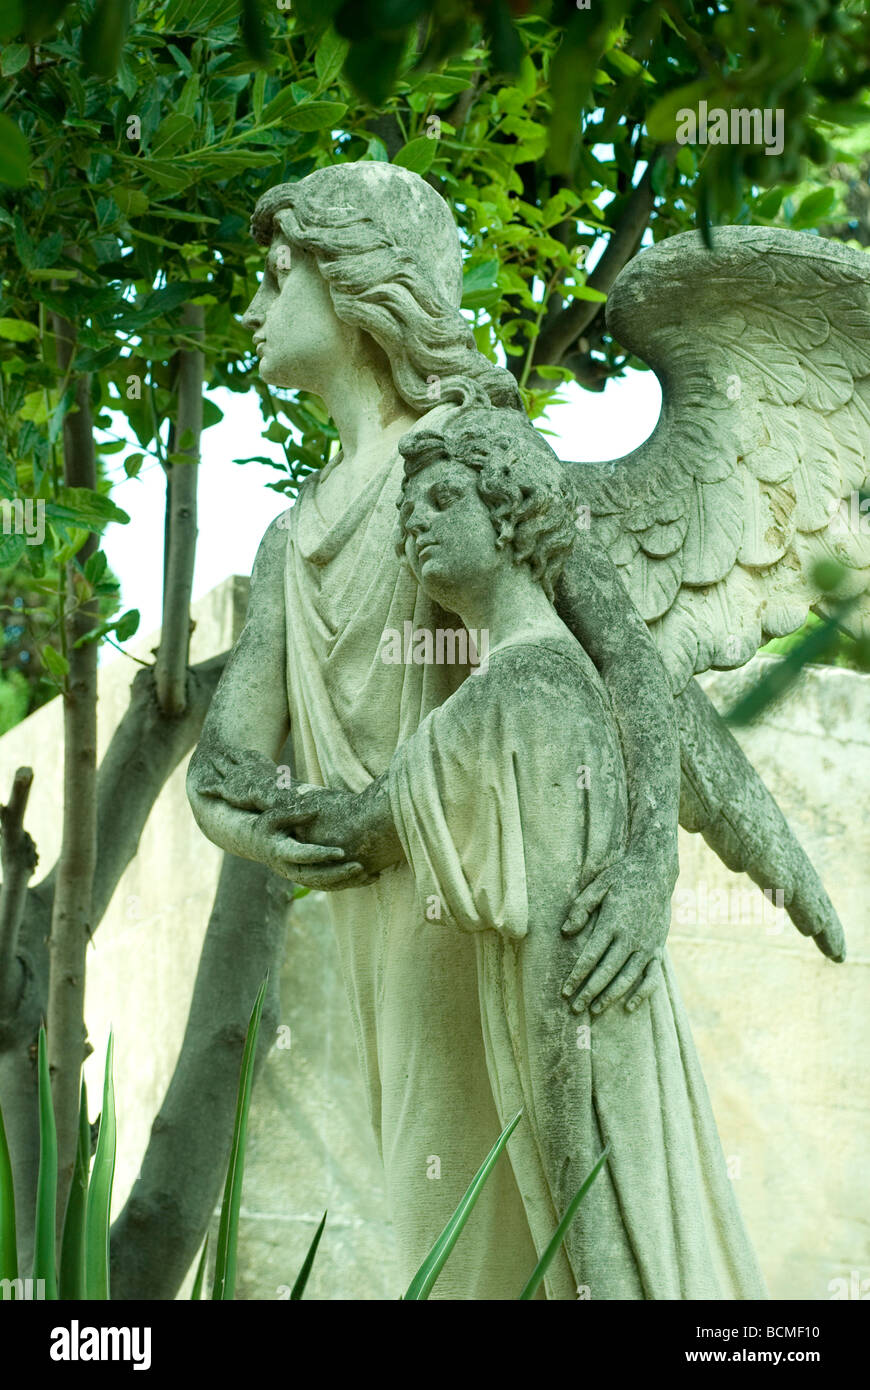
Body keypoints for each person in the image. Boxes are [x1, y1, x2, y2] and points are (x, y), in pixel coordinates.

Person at [198, 406, 767, 1299]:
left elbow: (373, 836)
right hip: (563, 1046)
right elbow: (368, 820)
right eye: (407, 509)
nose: (415, 520)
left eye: (445, 498)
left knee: (598, 1233)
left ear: (512, 516)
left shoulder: (521, 695)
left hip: (571, 1056)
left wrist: (249, 792)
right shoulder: (507, 695)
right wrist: (241, 794)